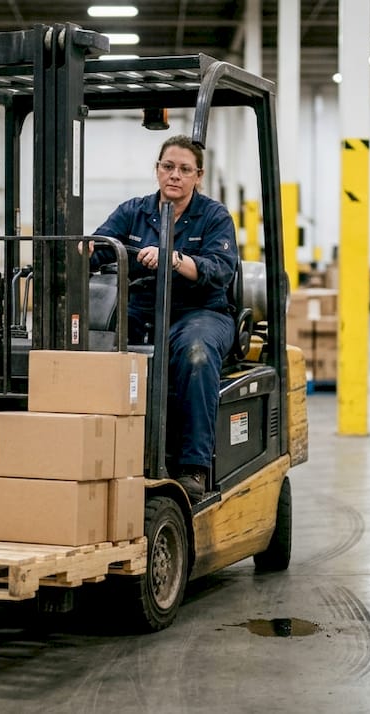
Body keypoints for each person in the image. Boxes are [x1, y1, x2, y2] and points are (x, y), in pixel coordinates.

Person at [90, 135, 237, 501]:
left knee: (196, 353)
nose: (175, 175)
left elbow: (220, 270)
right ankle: (102, 453)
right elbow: (100, 245)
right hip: (144, 308)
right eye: (168, 167)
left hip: (200, 311)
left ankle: (194, 467)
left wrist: (174, 258)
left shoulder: (214, 216)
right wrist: (78, 249)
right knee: (96, 343)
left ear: (198, 176)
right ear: (157, 170)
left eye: (185, 169)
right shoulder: (135, 211)